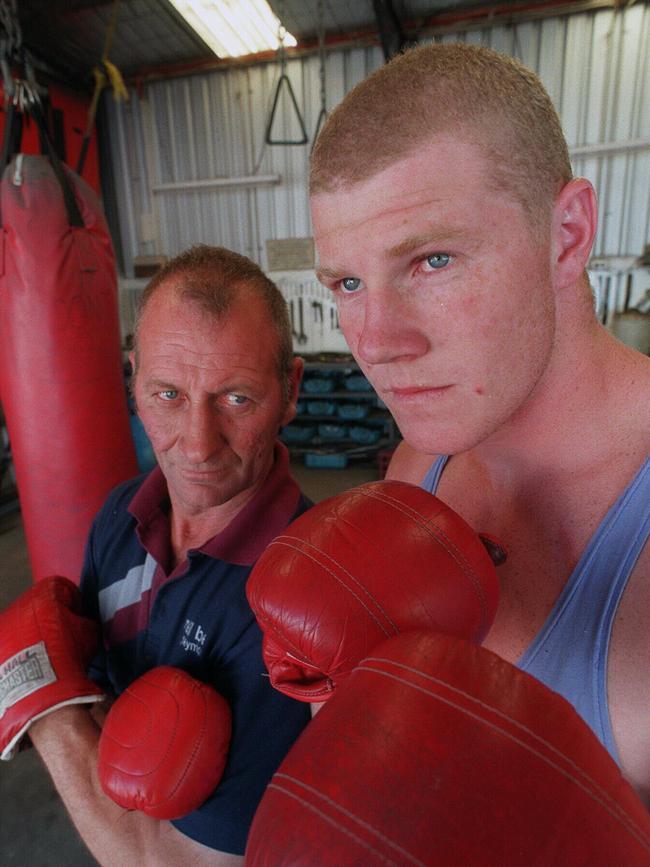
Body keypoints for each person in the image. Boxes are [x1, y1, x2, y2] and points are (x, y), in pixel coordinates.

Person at [309, 43, 650, 806]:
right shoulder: (416, 468)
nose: (375, 343)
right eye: (349, 282)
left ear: (567, 233)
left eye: (432, 261)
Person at [7, 245, 312, 864]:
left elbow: (179, 863)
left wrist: (42, 707)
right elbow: (99, 688)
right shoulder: (121, 516)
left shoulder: (299, 594)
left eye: (236, 399)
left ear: (291, 390)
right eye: (168, 394)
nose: (197, 447)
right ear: (133, 382)